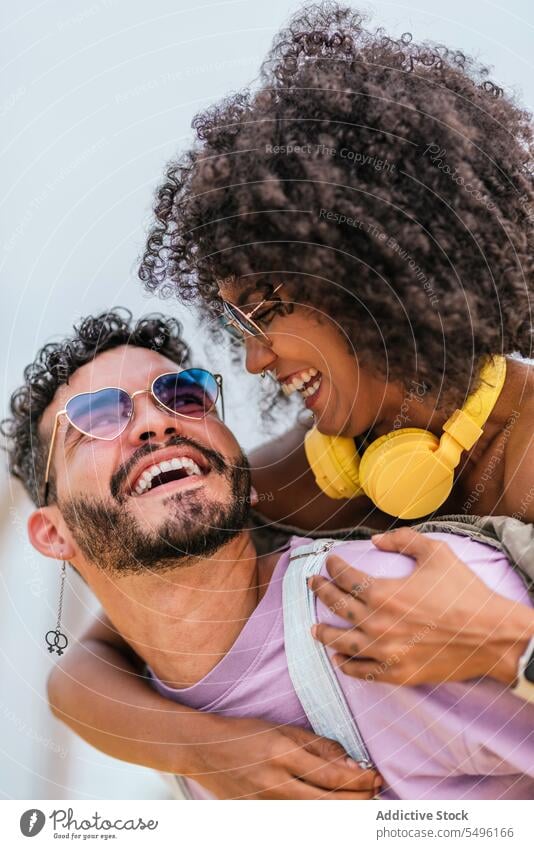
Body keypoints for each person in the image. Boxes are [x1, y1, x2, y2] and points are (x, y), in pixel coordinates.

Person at [136, 1, 534, 686]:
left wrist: (509, 647)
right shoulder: (308, 474)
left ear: (368, 276)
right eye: (239, 330)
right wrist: (200, 746)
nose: (255, 359)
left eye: (264, 313)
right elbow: (92, 652)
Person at [5, 310, 534, 800]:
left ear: (241, 474)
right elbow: (73, 678)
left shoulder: (386, 603)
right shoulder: (167, 725)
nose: (157, 422)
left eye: (185, 397)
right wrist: (198, 748)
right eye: (97, 416)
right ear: (53, 534)